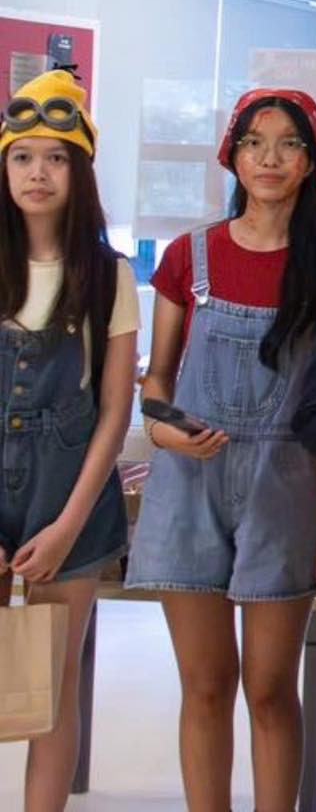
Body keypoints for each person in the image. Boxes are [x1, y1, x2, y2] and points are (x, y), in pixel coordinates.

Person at [127, 89, 316, 812]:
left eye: (288, 144)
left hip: (285, 486)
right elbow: (157, 381)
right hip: (189, 484)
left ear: (312, 162)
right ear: (233, 156)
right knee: (205, 684)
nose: (269, 158)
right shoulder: (189, 256)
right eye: (254, 142)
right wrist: (164, 429)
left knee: (271, 690)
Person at [0, 70, 136, 812]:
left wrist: (67, 525)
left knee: (51, 691)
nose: (38, 173)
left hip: (70, 496)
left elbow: (113, 412)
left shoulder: (108, 276)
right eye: (22, 157)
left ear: (79, 170)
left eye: (56, 158)